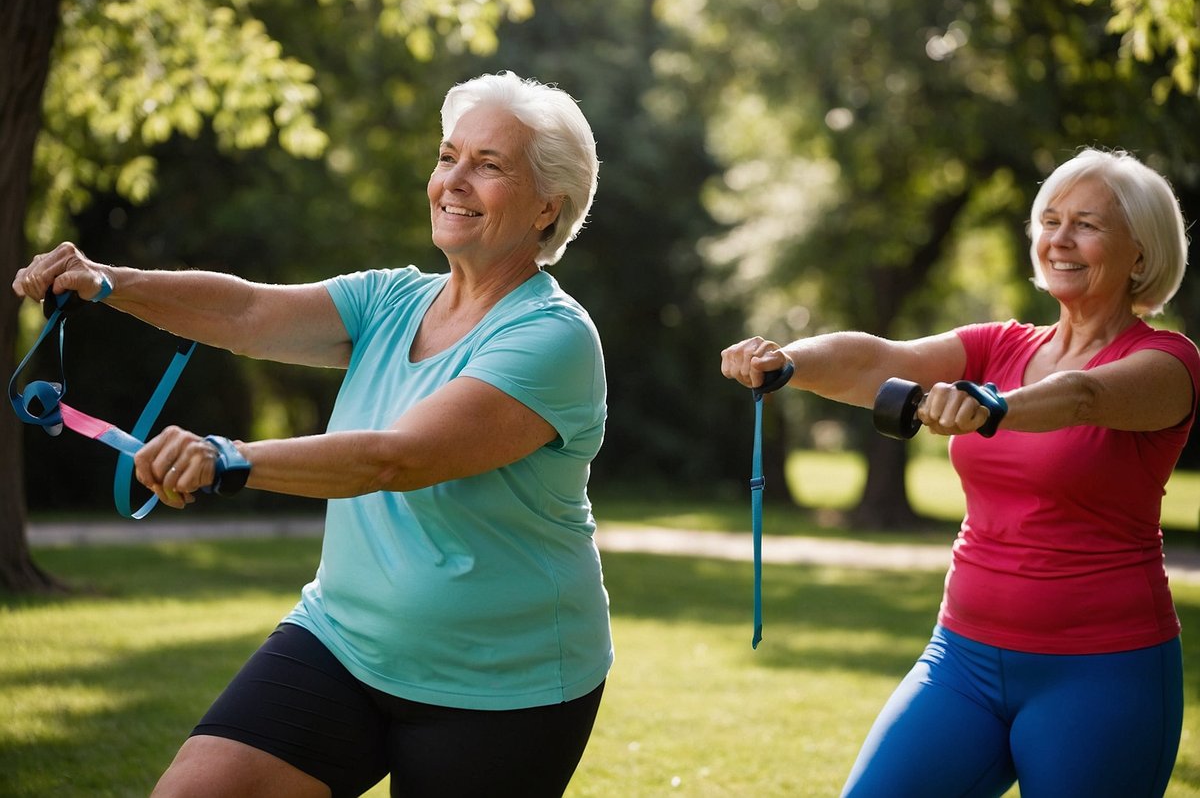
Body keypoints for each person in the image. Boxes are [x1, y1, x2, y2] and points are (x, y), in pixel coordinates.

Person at [12, 71, 612, 798]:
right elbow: (246, 313)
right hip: (344, 641)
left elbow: (400, 457)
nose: (454, 181)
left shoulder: (552, 337)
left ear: (549, 207)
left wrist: (229, 459)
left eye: (489, 165)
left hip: (502, 683)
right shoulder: (393, 298)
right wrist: (108, 280)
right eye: (448, 155)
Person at [721, 147, 1198, 797]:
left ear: (1141, 253)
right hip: (961, 662)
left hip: (1102, 671)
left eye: (1086, 224)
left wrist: (993, 405)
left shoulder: (1168, 362)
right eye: (1049, 219)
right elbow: (878, 361)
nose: (1059, 238)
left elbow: (1085, 395)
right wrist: (788, 361)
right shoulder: (999, 346)